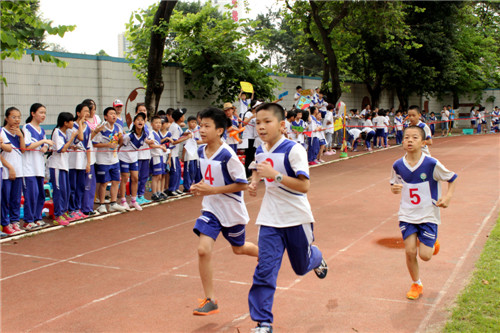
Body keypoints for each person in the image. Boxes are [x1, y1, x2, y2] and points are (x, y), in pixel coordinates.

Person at [247, 103, 328, 333]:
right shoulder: (261, 149)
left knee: (300, 267)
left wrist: (277, 176)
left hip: (296, 218)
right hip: (270, 219)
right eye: (258, 122)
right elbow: (257, 166)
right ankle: (263, 322)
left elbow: (304, 186)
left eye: (267, 122)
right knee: (265, 269)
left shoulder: (294, 150)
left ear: (282, 125)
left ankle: (316, 255)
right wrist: (255, 181)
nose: (261, 127)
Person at [190, 107, 258, 315]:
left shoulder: (228, 155)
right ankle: (211, 299)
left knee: (238, 249)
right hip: (211, 209)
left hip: (231, 210)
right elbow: (209, 178)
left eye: (206, 126)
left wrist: (212, 189)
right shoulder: (201, 151)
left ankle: (267, 254)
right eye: (201, 125)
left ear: (219, 130)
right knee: (203, 250)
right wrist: (199, 186)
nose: (201, 130)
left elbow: (242, 185)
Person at [390, 125, 457, 300]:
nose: (409, 140)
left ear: (423, 142)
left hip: (428, 214)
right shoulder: (397, 165)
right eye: (406, 137)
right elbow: (394, 184)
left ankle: (432, 243)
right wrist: (395, 189)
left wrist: (448, 197)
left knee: (425, 256)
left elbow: (452, 178)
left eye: (414, 137)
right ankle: (416, 284)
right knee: (410, 251)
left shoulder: (431, 164)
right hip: (407, 214)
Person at [22, 103, 53, 230]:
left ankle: (37, 218)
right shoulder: (27, 128)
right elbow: (27, 146)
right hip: (29, 168)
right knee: (31, 194)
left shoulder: (42, 130)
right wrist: (43, 142)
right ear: (33, 113)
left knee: (40, 194)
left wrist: (45, 147)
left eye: (44, 112)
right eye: (41, 112)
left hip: (39, 167)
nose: (43, 115)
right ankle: (28, 221)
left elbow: (44, 147)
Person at [92, 107, 126, 214]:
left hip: (114, 159)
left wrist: (118, 145)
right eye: (111, 114)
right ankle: (101, 204)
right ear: (106, 116)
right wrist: (107, 145)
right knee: (104, 182)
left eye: (115, 114)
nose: (114, 116)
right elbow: (94, 143)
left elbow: (121, 139)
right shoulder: (101, 128)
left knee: (116, 181)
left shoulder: (118, 127)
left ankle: (113, 203)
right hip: (102, 160)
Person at [48, 112, 79, 226]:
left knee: (65, 190)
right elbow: (61, 149)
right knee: (59, 191)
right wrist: (71, 139)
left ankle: (63, 212)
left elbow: (64, 147)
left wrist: (71, 145)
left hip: (64, 165)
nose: (72, 123)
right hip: (57, 166)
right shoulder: (57, 132)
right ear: (65, 123)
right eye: (71, 121)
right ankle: (58, 214)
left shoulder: (63, 133)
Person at [118, 112, 151, 211]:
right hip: (124, 157)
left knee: (135, 178)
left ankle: (133, 200)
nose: (140, 121)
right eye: (138, 120)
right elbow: (120, 145)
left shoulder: (144, 135)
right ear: (134, 122)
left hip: (134, 158)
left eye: (142, 120)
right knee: (124, 178)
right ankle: (123, 200)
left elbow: (146, 142)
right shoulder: (129, 136)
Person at [1, 107, 26, 235]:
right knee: (5, 199)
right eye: (13, 117)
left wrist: (21, 136)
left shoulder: (19, 132)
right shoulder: (2, 132)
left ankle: (14, 222)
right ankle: (5, 224)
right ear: (6, 118)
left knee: (16, 199)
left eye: (19, 117)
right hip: (6, 172)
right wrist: (9, 167)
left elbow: (23, 150)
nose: (17, 120)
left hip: (19, 171)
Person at [67, 103, 89, 221]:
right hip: (71, 162)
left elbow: (88, 146)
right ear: (78, 113)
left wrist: (88, 163)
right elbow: (79, 138)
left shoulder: (88, 128)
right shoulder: (72, 126)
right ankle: (71, 209)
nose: (87, 114)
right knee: (72, 187)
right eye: (85, 111)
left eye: (88, 112)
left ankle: (78, 208)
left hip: (82, 162)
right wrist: (80, 123)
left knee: (80, 186)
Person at [166, 109, 192, 197]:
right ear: (180, 118)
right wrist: (186, 137)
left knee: (177, 171)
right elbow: (174, 141)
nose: (184, 117)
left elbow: (180, 134)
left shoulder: (176, 126)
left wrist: (186, 133)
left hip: (175, 154)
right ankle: (172, 189)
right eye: (183, 115)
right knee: (175, 171)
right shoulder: (175, 127)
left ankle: (176, 188)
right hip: (172, 153)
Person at [135, 103, 153, 205]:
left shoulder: (148, 125)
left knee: (144, 176)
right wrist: (147, 141)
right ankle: (135, 196)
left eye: (144, 110)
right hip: (137, 155)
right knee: (136, 177)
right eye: (140, 110)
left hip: (146, 154)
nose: (143, 112)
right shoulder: (134, 124)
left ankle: (141, 195)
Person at [182, 116, 202, 193]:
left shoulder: (197, 131)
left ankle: (195, 185)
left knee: (195, 171)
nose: (193, 124)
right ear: (188, 123)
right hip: (188, 155)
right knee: (188, 171)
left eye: (194, 122)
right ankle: (187, 186)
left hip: (195, 155)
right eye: (191, 122)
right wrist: (183, 156)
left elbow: (200, 141)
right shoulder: (187, 132)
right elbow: (184, 145)